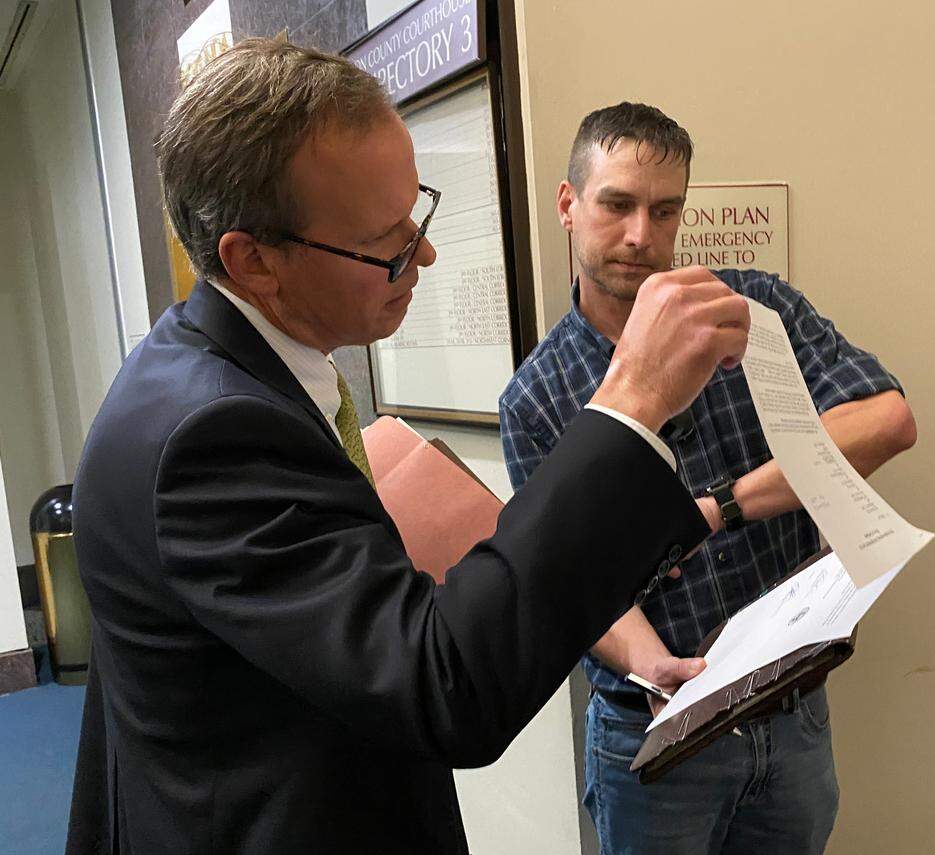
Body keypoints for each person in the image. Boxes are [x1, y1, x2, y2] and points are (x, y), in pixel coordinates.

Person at [65, 43, 752, 855]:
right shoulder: (207, 436)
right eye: (385, 241)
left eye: (416, 213)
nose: (422, 254)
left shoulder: (220, 370)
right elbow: (444, 689)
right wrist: (632, 400)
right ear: (253, 261)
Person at [499, 102, 918, 855]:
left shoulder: (749, 309)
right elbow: (565, 577)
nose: (640, 235)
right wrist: (646, 659)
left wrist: (723, 504)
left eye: (664, 211)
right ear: (568, 205)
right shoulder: (536, 396)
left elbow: (886, 422)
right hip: (657, 729)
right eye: (617, 204)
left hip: (790, 710)